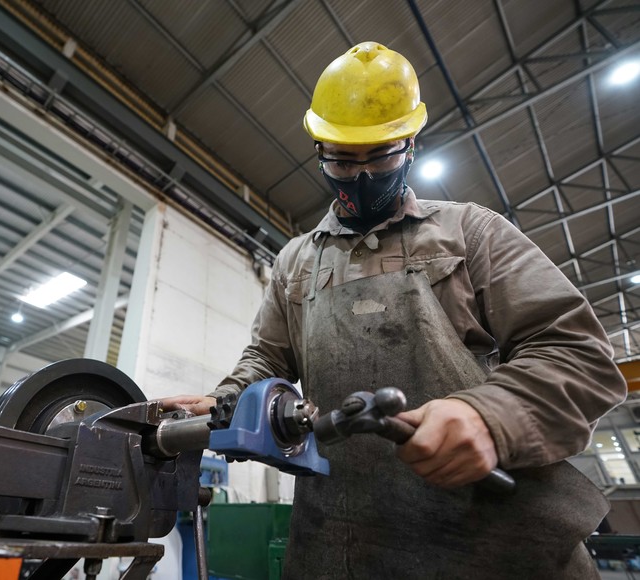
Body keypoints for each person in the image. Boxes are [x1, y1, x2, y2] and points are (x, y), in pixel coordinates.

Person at [161, 41, 627, 578]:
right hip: (342, 544)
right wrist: (225, 404)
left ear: (410, 145)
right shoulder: (296, 261)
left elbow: (576, 350)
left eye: (380, 155)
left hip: (495, 542)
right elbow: (265, 361)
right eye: (341, 158)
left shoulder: (470, 231)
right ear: (319, 149)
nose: (360, 175)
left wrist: (490, 416)